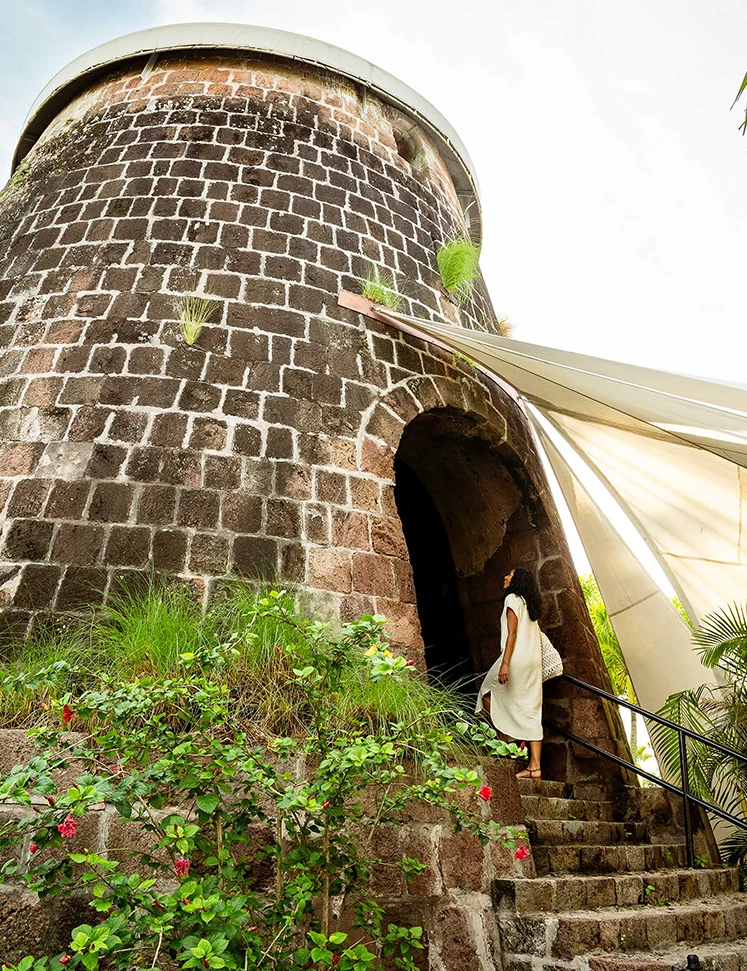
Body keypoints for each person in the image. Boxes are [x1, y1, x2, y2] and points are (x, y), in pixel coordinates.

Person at [475, 567, 543, 779]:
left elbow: (512, 634)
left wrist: (505, 664)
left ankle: (504, 740)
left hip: (516, 659)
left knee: (485, 694)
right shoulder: (529, 603)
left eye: (510, 575)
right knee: (532, 708)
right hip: (533, 661)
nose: (505, 577)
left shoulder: (512, 598)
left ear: (517, 581)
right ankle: (535, 766)